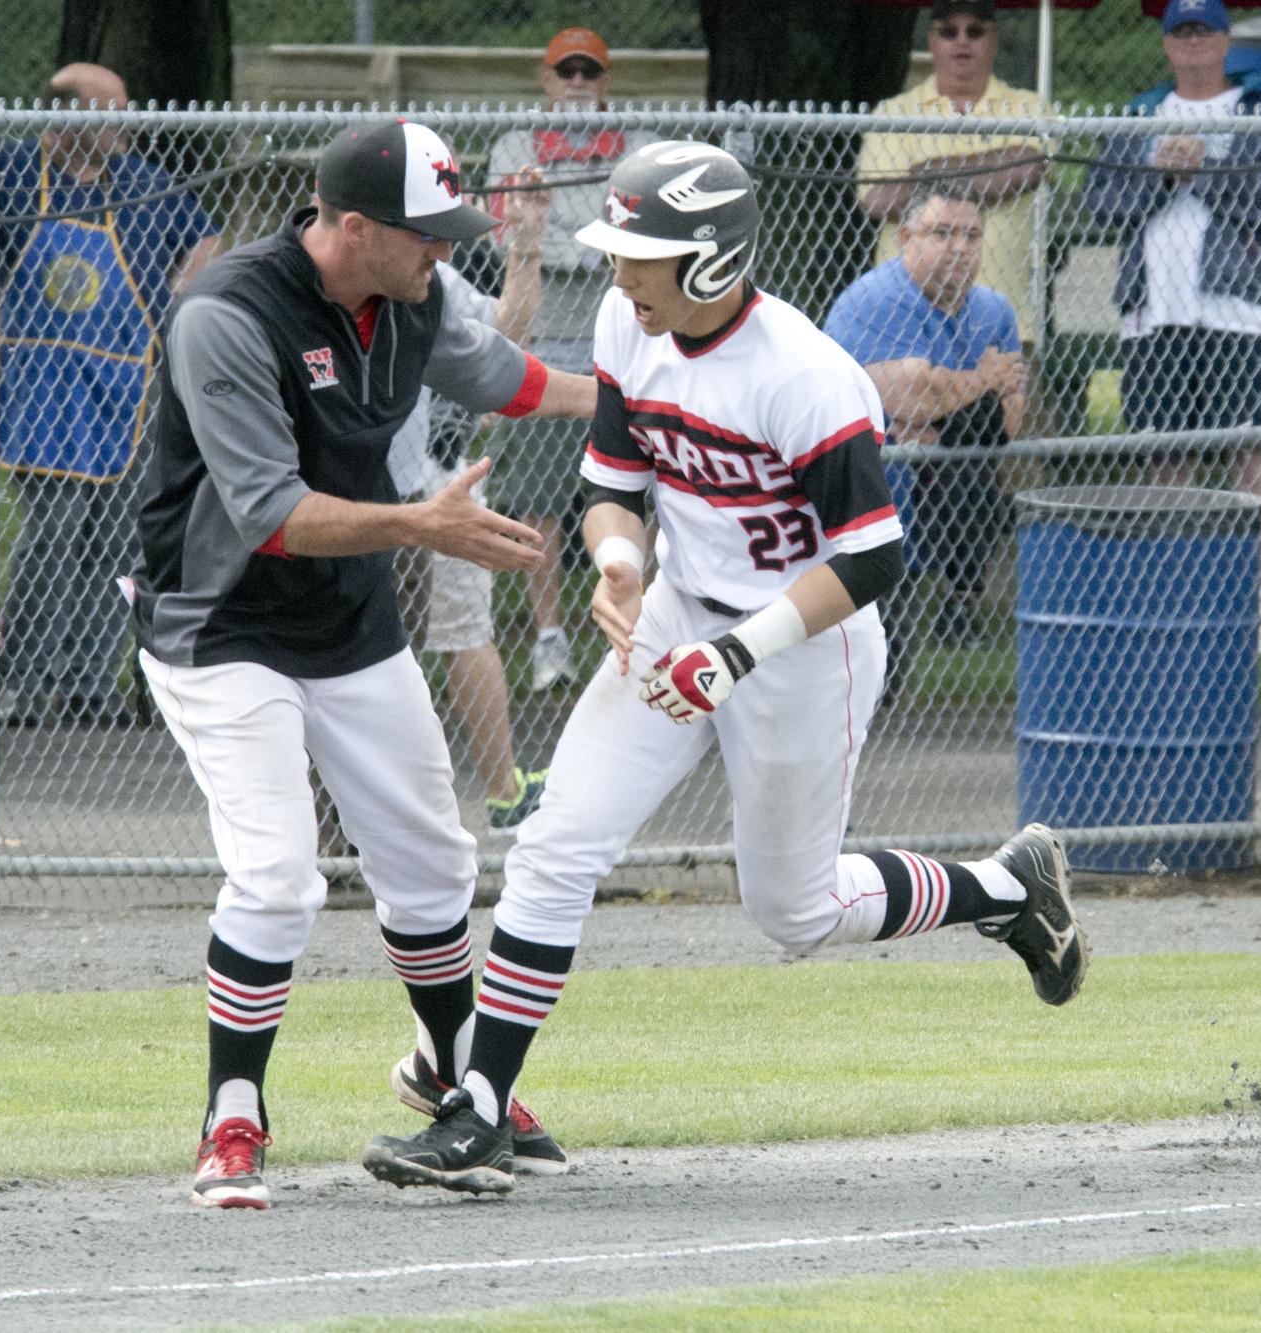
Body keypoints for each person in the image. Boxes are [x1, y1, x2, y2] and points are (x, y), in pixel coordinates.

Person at [359, 141, 1088, 1199]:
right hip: (678, 618)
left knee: (791, 911)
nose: (617, 275)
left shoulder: (803, 373)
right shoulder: (627, 325)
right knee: (555, 844)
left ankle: (1002, 888)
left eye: (638, 255)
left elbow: (872, 555)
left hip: (801, 645)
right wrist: (617, 564)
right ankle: (476, 1108)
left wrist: (737, 652)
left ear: (708, 260)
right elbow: (612, 482)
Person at [128, 119, 597, 1209]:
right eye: (424, 232)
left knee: (433, 862)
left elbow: (507, 377)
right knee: (280, 872)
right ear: (347, 227)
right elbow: (272, 513)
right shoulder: (227, 316)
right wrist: (421, 526)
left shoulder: (415, 299)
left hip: (347, 623)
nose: (444, 251)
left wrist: (637, 402)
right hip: (220, 625)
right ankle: (231, 1114)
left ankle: (454, 1082)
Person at [0, 63, 221, 726]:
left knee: (115, 539)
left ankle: (86, 685)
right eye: (109, 113)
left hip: (130, 392)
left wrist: (180, 299)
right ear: (66, 117)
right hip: (45, 390)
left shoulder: (143, 184)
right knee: (54, 528)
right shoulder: (19, 172)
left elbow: (206, 239)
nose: (123, 126)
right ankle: (18, 680)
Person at [1083, 0, 1261, 657]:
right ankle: (1178, 601)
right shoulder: (1141, 113)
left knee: (1249, 459)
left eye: (1203, 30)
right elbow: (1102, 198)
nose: (1192, 43)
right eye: (1180, 32)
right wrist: (1161, 176)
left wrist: (1202, 170)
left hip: (1240, 314)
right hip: (1155, 316)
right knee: (1166, 461)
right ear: (1166, 44)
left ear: (1224, 39)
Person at [483, 27, 665, 693]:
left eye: (591, 72)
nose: (579, 83)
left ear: (607, 81)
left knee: (630, 492)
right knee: (535, 503)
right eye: (567, 72)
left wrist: (568, 234)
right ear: (546, 78)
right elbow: (512, 226)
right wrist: (592, 244)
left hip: (624, 349)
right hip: (541, 343)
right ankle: (550, 639)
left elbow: (643, 229)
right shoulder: (514, 144)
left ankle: (635, 628)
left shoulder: (640, 146)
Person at [388, 167, 554, 831]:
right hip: (417, 482)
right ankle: (495, 792)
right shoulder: (390, 265)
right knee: (450, 639)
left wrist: (528, 240)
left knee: (459, 634)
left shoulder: (436, 275)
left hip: (437, 470)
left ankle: (504, 788)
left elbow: (506, 332)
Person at [826, 182, 1025, 685]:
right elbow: (911, 395)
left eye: (972, 235)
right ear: (906, 238)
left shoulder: (994, 309)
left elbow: (1009, 419)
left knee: (978, 454)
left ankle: (961, 602)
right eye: (943, 233)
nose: (960, 247)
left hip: (941, 477)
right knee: (865, 670)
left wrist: (942, 402)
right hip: (859, 486)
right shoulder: (877, 298)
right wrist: (978, 384)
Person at [857, 0, 1052, 349]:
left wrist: (922, 176)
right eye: (949, 31)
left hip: (1002, 321)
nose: (962, 41)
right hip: (905, 321)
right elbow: (878, 201)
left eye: (975, 31)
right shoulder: (894, 112)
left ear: (993, 41)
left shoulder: (1030, 107)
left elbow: (1024, 170)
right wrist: (988, 169)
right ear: (931, 41)